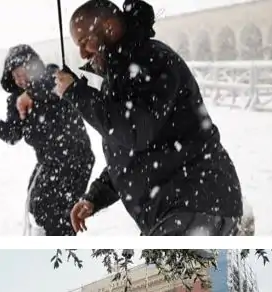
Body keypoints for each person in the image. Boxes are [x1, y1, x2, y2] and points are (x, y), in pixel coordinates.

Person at [54, 0, 244, 235]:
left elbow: (135, 131)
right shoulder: (120, 77)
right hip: (179, 209)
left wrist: (76, 92)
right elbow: (129, 156)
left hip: (195, 202)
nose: (82, 53)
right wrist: (95, 197)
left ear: (110, 28)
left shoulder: (151, 60)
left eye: (84, 42)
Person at [0, 44, 95, 236]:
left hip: (75, 158)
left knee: (55, 212)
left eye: (24, 72)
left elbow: (51, 82)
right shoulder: (16, 101)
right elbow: (12, 135)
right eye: (15, 76)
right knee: (36, 205)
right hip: (48, 161)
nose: (20, 80)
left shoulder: (53, 77)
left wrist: (31, 93)